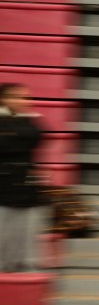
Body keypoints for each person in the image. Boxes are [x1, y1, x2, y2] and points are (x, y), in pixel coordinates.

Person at [0, 83, 45, 272]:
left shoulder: (27, 119)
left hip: (26, 179)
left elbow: (35, 138)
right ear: (3, 99)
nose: (23, 101)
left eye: (25, 97)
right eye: (16, 97)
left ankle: (24, 264)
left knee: (27, 227)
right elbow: (7, 145)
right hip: (3, 181)